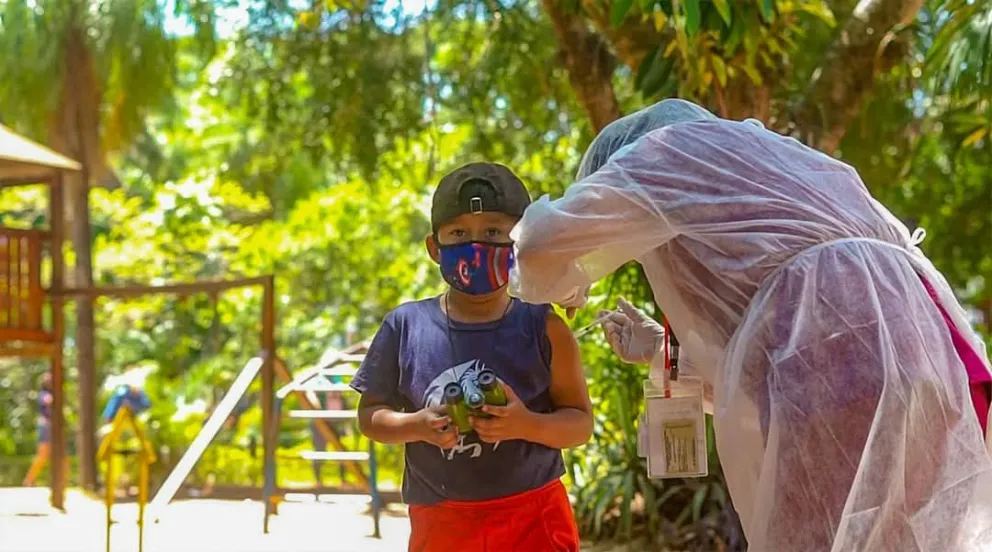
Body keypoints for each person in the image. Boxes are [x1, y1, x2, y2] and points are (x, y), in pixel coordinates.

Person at [508, 99, 992, 551]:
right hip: (934, 362)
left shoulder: (664, 152)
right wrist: (662, 352)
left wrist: (565, 282)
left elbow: (536, 247)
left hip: (843, 382)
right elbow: (758, 380)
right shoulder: (786, 163)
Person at [352, 162, 593, 552]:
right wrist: (417, 424)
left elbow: (579, 424)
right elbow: (370, 416)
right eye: (459, 233)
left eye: (495, 232)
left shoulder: (546, 327)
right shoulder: (405, 325)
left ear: (522, 244)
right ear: (435, 247)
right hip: (441, 519)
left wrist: (524, 424)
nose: (476, 245)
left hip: (535, 518)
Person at [22, 373, 64, 487]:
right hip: (46, 426)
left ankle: (59, 481)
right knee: (43, 455)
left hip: (53, 426)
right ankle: (29, 479)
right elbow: (49, 401)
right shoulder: (44, 394)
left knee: (58, 455)